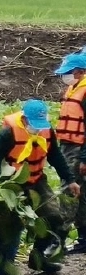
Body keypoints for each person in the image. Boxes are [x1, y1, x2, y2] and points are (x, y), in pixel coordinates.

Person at [0, 99, 80, 275]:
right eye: (34, 124)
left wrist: (70, 179)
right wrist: (7, 189)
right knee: (11, 230)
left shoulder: (47, 131)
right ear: (24, 120)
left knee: (53, 217)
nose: (38, 128)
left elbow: (55, 155)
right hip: (14, 182)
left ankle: (39, 259)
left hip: (37, 179)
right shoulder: (7, 133)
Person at [54, 53, 86, 254]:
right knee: (81, 194)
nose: (64, 76)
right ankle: (84, 238)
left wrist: (84, 158)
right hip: (69, 146)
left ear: (80, 72)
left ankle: (59, 239)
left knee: (69, 191)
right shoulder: (74, 87)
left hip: (79, 149)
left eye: (68, 73)